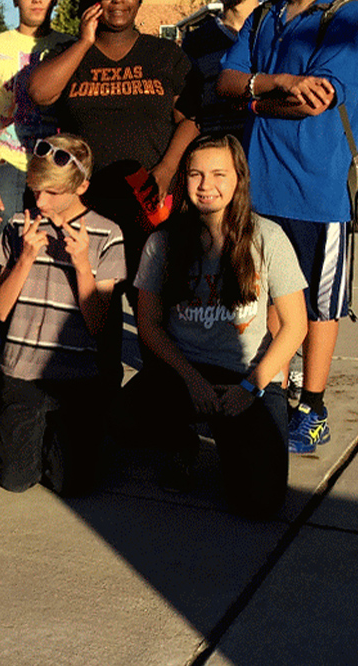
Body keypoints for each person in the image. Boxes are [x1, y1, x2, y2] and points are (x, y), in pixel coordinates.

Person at [216, 0, 358, 454]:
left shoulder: (347, 16)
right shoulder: (265, 18)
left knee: (319, 305)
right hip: (259, 189)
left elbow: (316, 101)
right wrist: (275, 79)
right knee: (265, 300)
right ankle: (272, 395)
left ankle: (314, 406)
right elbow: (227, 81)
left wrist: (257, 98)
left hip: (319, 190)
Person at [126, 134, 307, 518]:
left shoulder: (269, 238)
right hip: (186, 370)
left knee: (260, 504)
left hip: (247, 378)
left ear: (239, 178)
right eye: (195, 174)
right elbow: (149, 323)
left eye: (219, 174)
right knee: (121, 422)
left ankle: (231, 439)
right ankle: (181, 441)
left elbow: (295, 326)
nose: (206, 185)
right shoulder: (163, 242)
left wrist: (251, 386)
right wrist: (191, 379)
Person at [29, 0, 202, 285]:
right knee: (94, 304)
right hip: (85, 202)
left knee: (151, 304)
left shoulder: (164, 55)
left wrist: (167, 168)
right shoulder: (73, 53)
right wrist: (84, 42)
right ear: (93, 2)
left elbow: (191, 120)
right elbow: (40, 92)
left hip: (150, 200)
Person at [0, 134, 125, 494]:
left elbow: (98, 322)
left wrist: (83, 265)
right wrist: (25, 259)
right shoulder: (19, 225)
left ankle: (81, 432)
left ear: (81, 186)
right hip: (21, 371)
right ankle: (19, 425)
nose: (40, 200)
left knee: (73, 486)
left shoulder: (107, 234)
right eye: (36, 190)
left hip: (77, 377)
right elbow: (1, 309)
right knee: (14, 481)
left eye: (51, 192)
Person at [0, 0, 72, 240]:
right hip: (6, 163)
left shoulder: (71, 47)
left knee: (50, 248)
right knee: (7, 247)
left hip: (54, 164)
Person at [183, 0, 264, 138]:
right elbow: (188, 112)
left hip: (268, 156)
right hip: (218, 158)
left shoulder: (279, 30)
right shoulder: (196, 42)